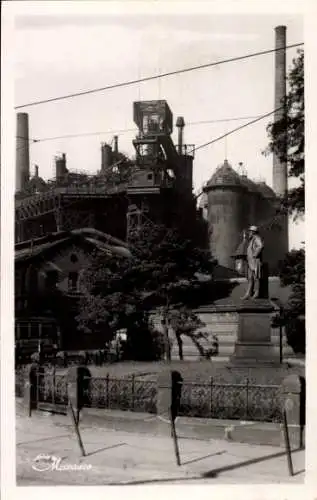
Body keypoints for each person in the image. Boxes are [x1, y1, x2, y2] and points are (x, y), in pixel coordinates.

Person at [241, 225, 264, 300]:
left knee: (256, 277)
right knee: (250, 278)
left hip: (255, 261)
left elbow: (260, 246)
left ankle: (256, 293)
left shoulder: (256, 238)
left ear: (253, 232)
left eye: (250, 231)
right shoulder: (252, 240)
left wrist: (255, 254)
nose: (249, 233)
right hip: (251, 262)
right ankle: (248, 293)